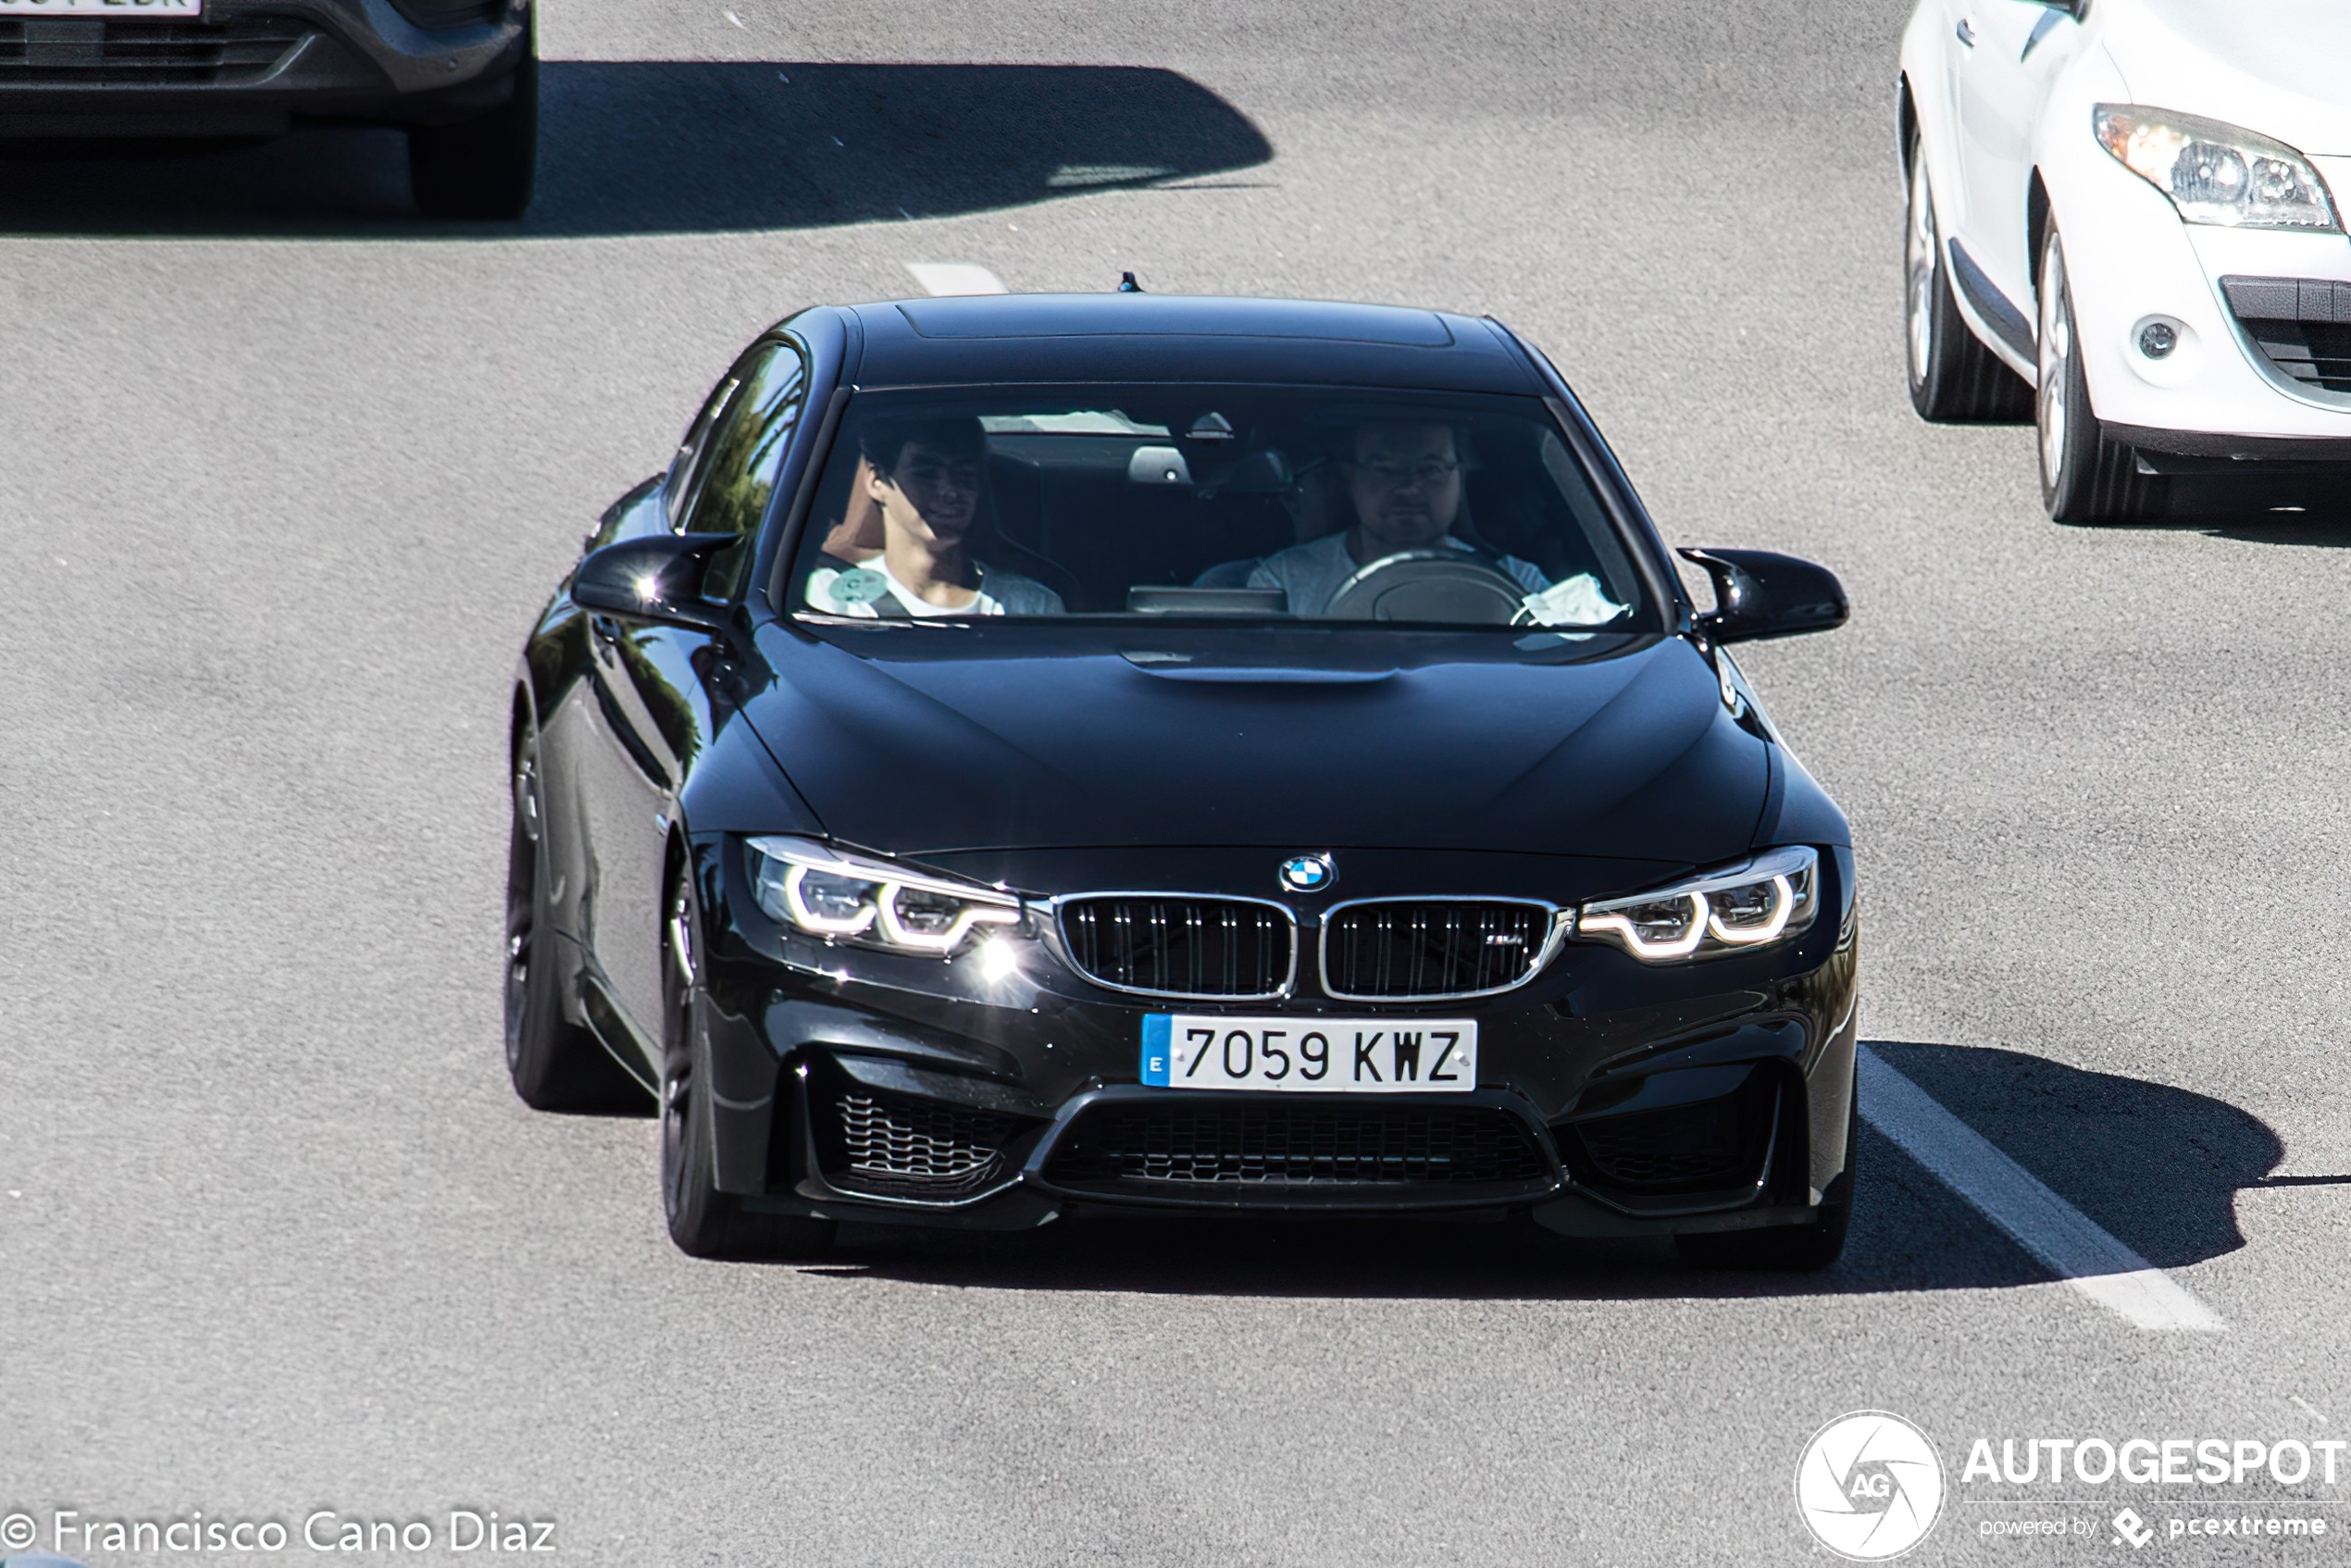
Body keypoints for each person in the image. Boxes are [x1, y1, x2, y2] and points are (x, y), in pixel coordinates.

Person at [1244, 421, 1551, 617]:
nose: (1409, 489)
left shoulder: (1520, 587)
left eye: (1430, 469)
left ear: (1460, 476)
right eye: (1385, 469)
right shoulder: (1284, 582)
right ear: (1351, 478)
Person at [805, 416, 1064, 617]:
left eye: (963, 476)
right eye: (925, 473)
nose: (949, 492)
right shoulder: (830, 600)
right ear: (876, 481)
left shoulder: (1029, 606)